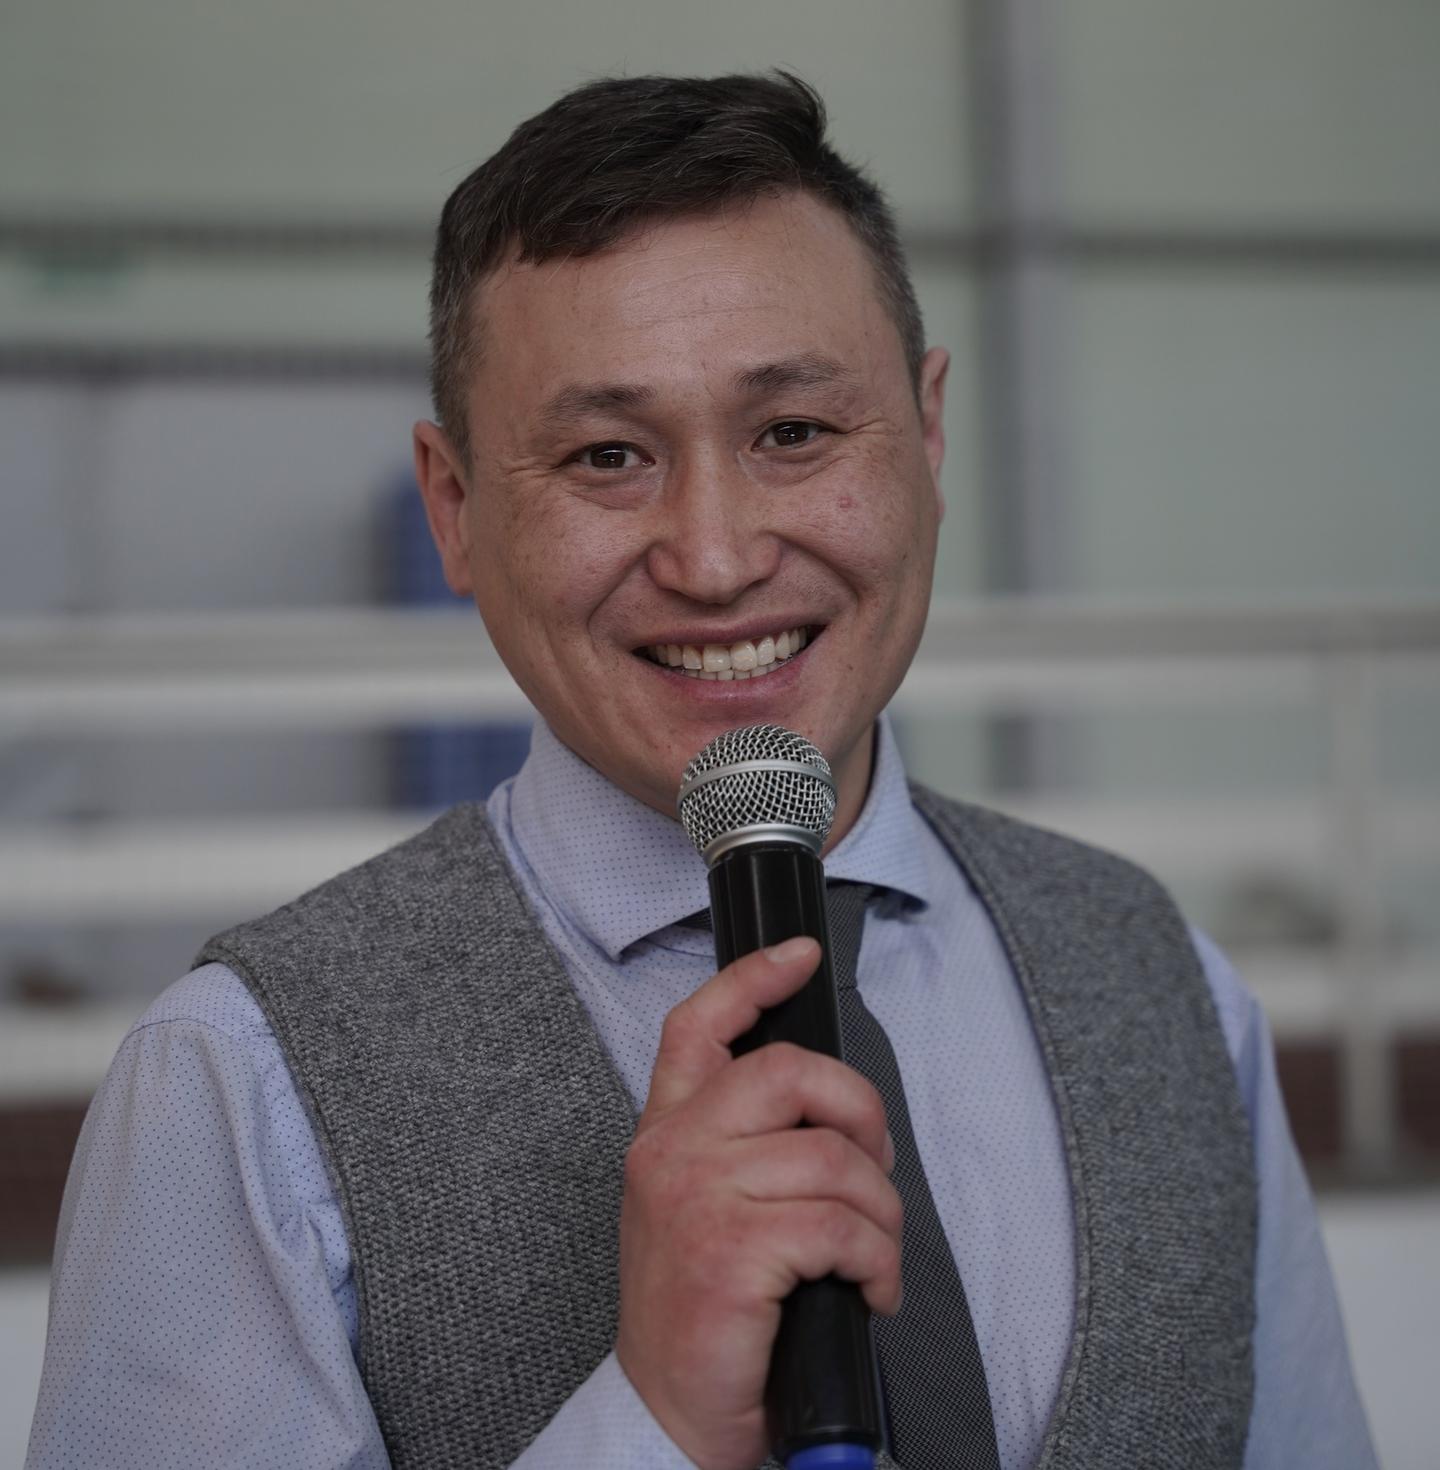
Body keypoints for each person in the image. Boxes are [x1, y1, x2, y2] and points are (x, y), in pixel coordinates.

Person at [28, 73, 1375, 1470]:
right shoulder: (238, 1084)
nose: (718, 560)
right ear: (456, 507)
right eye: (608, 455)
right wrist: (651, 1424)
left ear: (926, 438)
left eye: (794, 432)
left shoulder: (1163, 982)